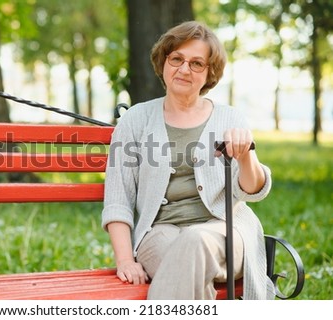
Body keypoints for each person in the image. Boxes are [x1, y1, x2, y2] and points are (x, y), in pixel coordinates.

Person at [101, 20, 274, 300]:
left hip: (226, 231)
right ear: (164, 62)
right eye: (177, 59)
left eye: (196, 63)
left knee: (195, 240)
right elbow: (118, 199)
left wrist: (246, 157)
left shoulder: (230, 118)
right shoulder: (136, 119)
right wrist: (124, 259)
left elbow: (252, 191)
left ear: (209, 73)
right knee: (187, 262)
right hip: (158, 233)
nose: (183, 69)